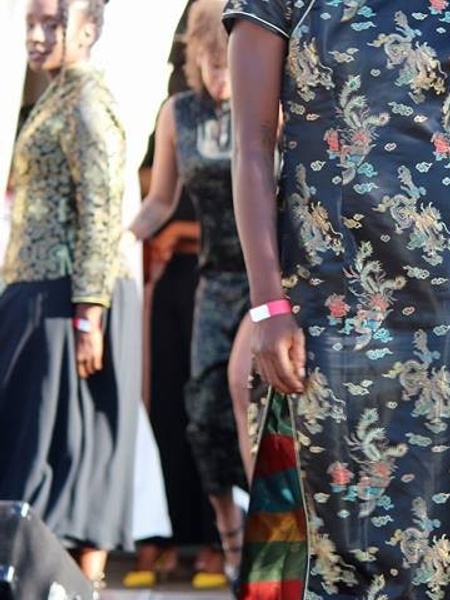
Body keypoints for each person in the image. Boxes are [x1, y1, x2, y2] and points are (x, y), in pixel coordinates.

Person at [222, 1, 450, 598]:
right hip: (330, 305)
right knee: (335, 552)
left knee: (426, 559)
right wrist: (268, 303)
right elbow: (251, 146)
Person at [0, 0, 139, 587]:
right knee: (33, 443)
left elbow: (101, 208)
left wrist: (89, 313)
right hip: (38, 289)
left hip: (66, 298)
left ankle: (71, 584)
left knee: (61, 450)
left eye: (52, 24)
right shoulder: (56, 95)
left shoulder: (85, 100)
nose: (37, 35)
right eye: (30, 23)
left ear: (87, 30)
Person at [124, 0, 248, 588]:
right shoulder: (178, 114)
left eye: (229, 65)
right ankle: (230, 532)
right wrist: (120, 240)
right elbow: (159, 201)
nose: (221, 78)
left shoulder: (264, 105)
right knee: (202, 415)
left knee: (251, 403)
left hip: (267, 278)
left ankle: (272, 536)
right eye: (211, 65)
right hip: (215, 280)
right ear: (194, 58)